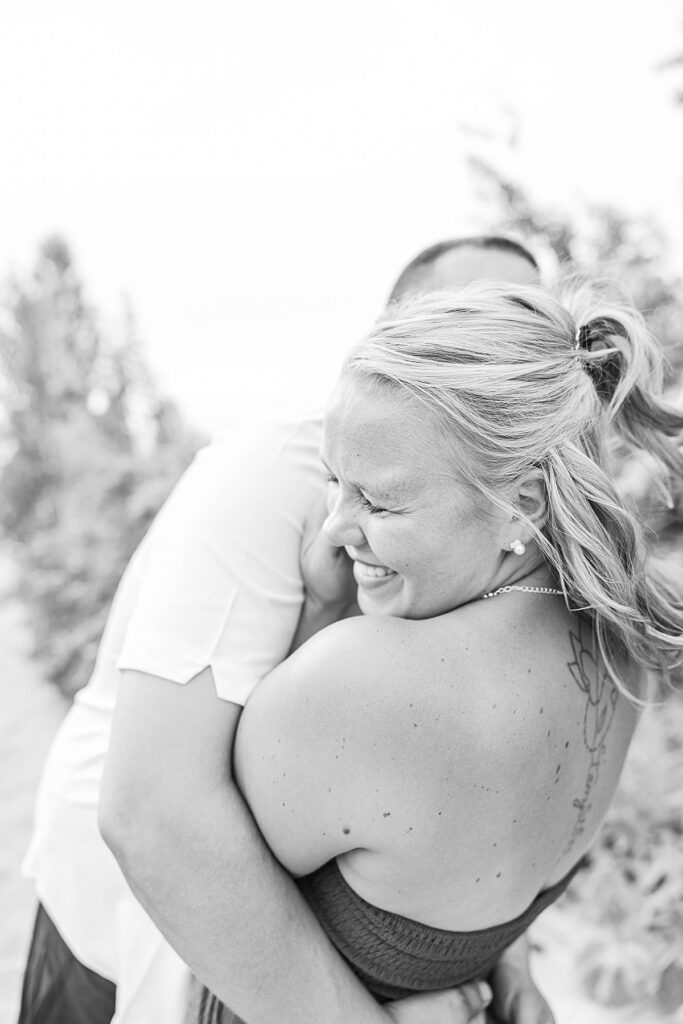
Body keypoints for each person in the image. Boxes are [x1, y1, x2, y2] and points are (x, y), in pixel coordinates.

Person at [19, 237, 548, 1024]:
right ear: (394, 330)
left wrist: (511, 959)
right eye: (467, 320)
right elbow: (153, 814)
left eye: (523, 325)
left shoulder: (491, 514)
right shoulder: (275, 468)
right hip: (120, 916)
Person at [132, 276, 682, 1024]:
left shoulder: (360, 684)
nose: (332, 528)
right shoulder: (621, 639)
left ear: (518, 503)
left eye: (380, 501)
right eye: (334, 483)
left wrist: (320, 613)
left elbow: (197, 866)